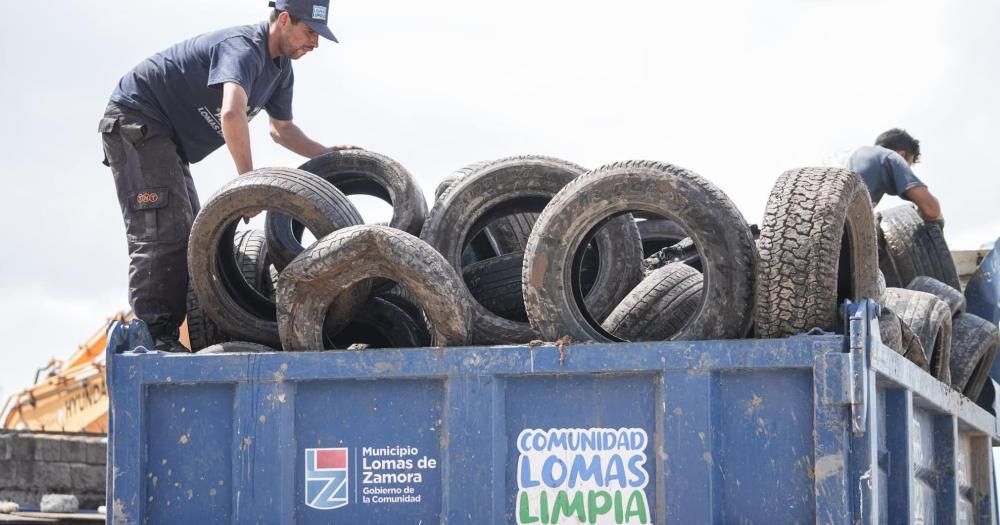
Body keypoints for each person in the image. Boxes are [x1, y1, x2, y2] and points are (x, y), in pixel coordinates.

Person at [99, 0, 355, 352]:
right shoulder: (244, 48)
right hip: (137, 119)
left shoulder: (280, 70)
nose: (315, 43)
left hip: (165, 137)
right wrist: (247, 186)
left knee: (193, 238)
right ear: (284, 19)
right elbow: (232, 114)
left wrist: (325, 153)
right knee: (164, 233)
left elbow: (281, 130)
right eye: (310, 31)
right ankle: (155, 339)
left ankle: (167, 334)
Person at [845, 128, 942, 222]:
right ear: (901, 155)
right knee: (937, 219)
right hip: (839, 224)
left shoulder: (848, 154)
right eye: (907, 166)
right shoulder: (890, 156)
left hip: (834, 218)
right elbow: (932, 210)